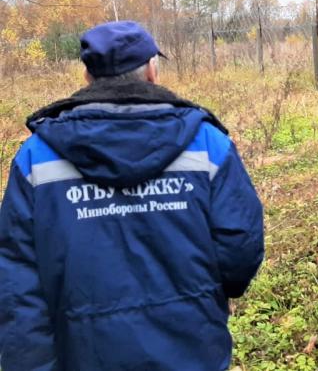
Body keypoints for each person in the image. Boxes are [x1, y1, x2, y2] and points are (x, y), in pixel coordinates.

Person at [0, 21, 264, 370]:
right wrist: (215, 292)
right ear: (152, 71)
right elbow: (240, 247)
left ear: (87, 77)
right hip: (192, 348)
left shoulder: (37, 157)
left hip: (83, 353)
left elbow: (17, 276)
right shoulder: (209, 145)